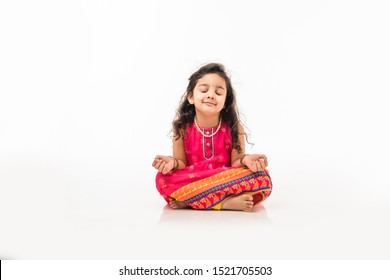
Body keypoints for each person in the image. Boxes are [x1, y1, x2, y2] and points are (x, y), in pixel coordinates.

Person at [152, 63, 272, 212]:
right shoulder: (181, 127)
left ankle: (191, 201)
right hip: (194, 179)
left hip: (224, 178)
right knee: (162, 178)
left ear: (225, 103)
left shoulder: (234, 126)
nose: (210, 95)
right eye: (204, 90)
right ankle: (224, 202)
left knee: (262, 176)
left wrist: (246, 160)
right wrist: (171, 163)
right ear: (191, 97)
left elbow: (236, 162)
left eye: (219, 93)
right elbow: (181, 162)